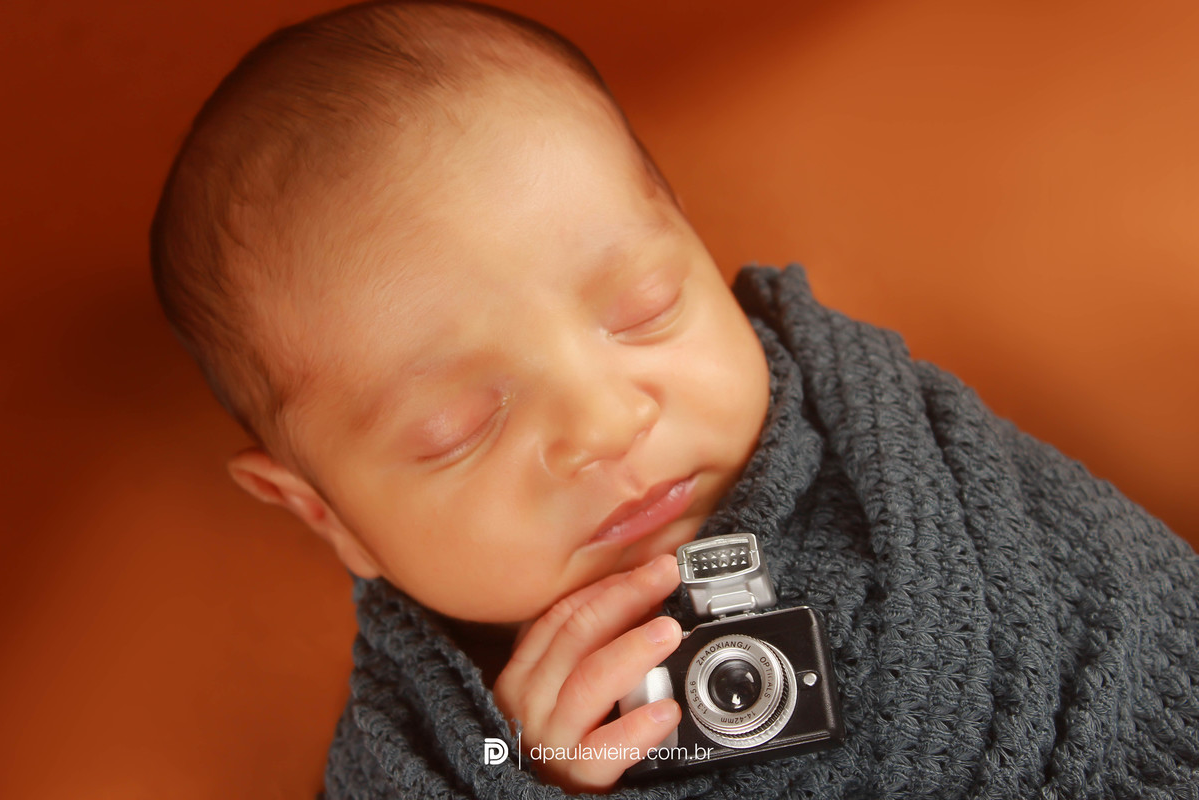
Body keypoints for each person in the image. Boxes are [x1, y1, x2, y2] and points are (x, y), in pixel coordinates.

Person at [149, 2, 1199, 798]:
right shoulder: (437, 726)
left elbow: (1139, 628)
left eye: (646, 309)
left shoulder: (906, 454)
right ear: (327, 514)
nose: (607, 425)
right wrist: (522, 768)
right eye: (458, 427)